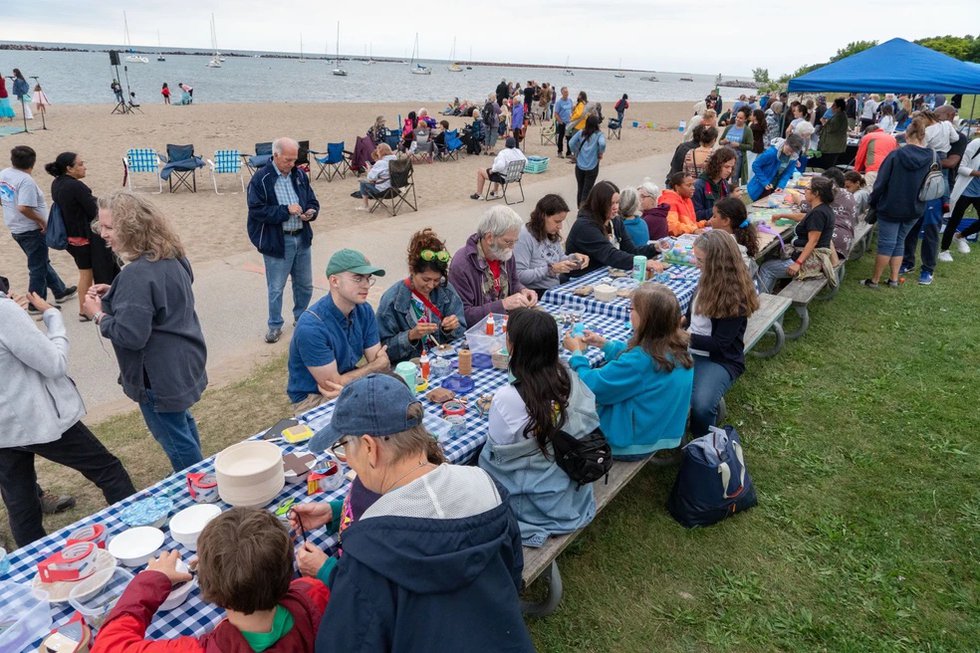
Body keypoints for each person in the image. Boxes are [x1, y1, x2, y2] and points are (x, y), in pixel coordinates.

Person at [297, 374, 535, 653]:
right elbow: (512, 571)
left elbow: (345, 643)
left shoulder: (369, 553)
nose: (347, 458)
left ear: (370, 448)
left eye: (344, 447)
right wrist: (336, 513)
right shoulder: (487, 486)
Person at [81, 190, 207, 472]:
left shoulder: (136, 274)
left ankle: (199, 484)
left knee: (175, 439)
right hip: (183, 361)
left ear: (132, 228)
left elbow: (130, 335)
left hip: (158, 375)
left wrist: (98, 314)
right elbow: (161, 299)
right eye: (100, 226)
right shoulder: (173, 256)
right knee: (181, 423)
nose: (102, 233)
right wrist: (117, 293)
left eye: (109, 227)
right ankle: (201, 472)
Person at [0, 285, 135, 547]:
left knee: (21, 504)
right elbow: (54, 364)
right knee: (109, 471)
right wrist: (52, 317)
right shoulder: (4, 312)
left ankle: (36, 566)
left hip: (5, 430)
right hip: (38, 419)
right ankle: (138, 534)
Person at [91, 508, 330, 652]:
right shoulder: (313, 590)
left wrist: (152, 579)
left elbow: (108, 647)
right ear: (289, 570)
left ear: (205, 581)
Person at [478, 308, 598, 546]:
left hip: (534, 500)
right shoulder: (568, 376)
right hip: (569, 486)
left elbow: (498, 454)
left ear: (511, 345)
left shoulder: (507, 397)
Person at [563, 283, 693, 459]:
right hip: (664, 429)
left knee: (564, 410)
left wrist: (577, 354)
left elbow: (592, 388)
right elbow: (640, 363)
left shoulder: (639, 361)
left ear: (646, 318)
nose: (629, 312)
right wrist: (605, 344)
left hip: (632, 443)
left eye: (632, 308)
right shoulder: (676, 346)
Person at [287, 249, 389, 414]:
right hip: (313, 399)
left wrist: (375, 367)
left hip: (349, 384)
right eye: (357, 278)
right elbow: (331, 385)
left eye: (368, 278)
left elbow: (378, 362)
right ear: (334, 281)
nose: (365, 285)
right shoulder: (311, 326)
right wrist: (375, 366)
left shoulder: (364, 310)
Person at [246, 137, 319, 344]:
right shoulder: (261, 179)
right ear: (276, 156)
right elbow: (256, 211)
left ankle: (301, 318)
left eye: (294, 160)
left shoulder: (299, 175)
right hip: (277, 241)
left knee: (305, 284)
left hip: (301, 237)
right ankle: (275, 325)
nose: (292, 164)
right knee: (276, 287)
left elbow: (313, 200)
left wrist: (311, 212)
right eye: (288, 160)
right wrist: (285, 211)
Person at [687, 231, 759, 437]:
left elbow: (720, 344)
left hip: (720, 359)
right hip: (693, 348)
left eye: (700, 260)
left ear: (718, 262)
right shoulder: (707, 279)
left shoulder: (734, 294)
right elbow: (691, 317)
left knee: (701, 406)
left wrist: (682, 337)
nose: (695, 264)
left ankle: (705, 448)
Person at [861, 116, 935, 289]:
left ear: (907, 136)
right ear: (923, 136)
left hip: (891, 206)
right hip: (916, 206)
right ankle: (893, 279)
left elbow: (880, 183)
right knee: (900, 241)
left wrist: (873, 202)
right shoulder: (933, 156)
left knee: (886, 243)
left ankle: (875, 280)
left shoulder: (896, 155)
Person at [1, 145, 76, 310]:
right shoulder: (26, 181)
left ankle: (59, 290)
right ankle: (36, 303)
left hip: (16, 226)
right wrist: (42, 221)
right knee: (37, 266)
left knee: (40, 261)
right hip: (30, 229)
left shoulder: (5, 173)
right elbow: (24, 207)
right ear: (32, 163)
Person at [46, 152, 120, 320]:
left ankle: (84, 308)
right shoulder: (75, 186)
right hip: (83, 238)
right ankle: (86, 309)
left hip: (72, 238)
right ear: (69, 168)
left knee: (85, 272)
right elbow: (94, 210)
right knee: (89, 273)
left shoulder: (57, 183)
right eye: (80, 164)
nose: (84, 166)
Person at [377, 229, 466, 363]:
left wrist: (452, 327)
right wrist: (411, 336)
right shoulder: (392, 300)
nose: (431, 285)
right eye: (425, 279)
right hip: (411, 370)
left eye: (436, 280)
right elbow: (383, 351)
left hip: (443, 363)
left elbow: (462, 332)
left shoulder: (446, 290)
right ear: (412, 270)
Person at [449, 205, 538, 325]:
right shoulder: (462, 264)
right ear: (489, 237)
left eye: (514, 241)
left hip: (505, 324)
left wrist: (523, 291)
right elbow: (464, 315)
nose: (512, 247)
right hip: (478, 332)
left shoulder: (505, 254)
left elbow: (514, 281)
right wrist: (503, 304)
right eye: (508, 241)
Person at [757, 177, 837, 293]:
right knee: (770, 256)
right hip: (812, 255)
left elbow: (813, 242)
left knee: (766, 268)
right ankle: (771, 290)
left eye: (807, 188)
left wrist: (797, 263)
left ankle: (761, 304)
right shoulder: (822, 208)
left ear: (816, 193)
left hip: (811, 260)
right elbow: (804, 216)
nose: (804, 190)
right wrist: (782, 215)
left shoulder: (818, 213)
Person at [564, 180, 661, 277]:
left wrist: (654, 248)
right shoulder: (585, 226)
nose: (615, 207)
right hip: (580, 277)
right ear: (599, 204)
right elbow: (610, 254)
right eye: (611, 203)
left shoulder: (616, 221)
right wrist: (640, 263)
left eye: (617, 202)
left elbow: (631, 250)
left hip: (604, 274)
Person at [515, 194, 587, 298]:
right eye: (557, 221)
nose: (560, 226)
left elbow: (559, 259)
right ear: (543, 216)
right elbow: (519, 276)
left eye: (562, 221)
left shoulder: (550, 232)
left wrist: (574, 258)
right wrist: (550, 270)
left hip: (554, 288)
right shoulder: (524, 236)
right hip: (535, 293)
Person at [939, 135, 980, 262]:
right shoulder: (975, 144)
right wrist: (978, 173)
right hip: (964, 191)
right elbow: (961, 168)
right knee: (954, 221)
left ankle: (960, 236)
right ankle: (944, 251)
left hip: (979, 193)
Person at [746, 134, 804, 201]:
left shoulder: (794, 158)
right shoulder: (771, 153)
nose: (790, 153)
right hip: (760, 187)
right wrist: (764, 181)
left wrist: (781, 186)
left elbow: (787, 173)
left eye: (793, 152)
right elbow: (755, 165)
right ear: (785, 143)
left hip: (775, 189)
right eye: (789, 150)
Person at [709, 196, 758, 272]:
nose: (710, 220)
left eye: (714, 216)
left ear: (726, 221)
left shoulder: (726, 246)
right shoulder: (740, 237)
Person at [568, 115, 606, 207]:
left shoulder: (581, 132)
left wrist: (576, 151)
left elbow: (571, 143)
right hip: (592, 166)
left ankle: (579, 208)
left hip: (579, 165)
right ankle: (583, 210)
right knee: (587, 190)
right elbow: (602, 143)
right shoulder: (599, 135)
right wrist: (600, 152)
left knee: (580, 188)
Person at [693, 147, 740, 220]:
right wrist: (722, 207)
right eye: (726, 167)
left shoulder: (724, 183)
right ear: (716, 165)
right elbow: (697, 215)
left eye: (732, 167)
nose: (730, 171)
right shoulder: (698, 186)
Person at [662, 172, 706, 236]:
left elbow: (691, 225)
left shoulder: (687, 200)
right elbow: (671, 226)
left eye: (693, 185)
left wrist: (704, 224)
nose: (693, 188)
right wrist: (693, 230)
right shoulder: (669, 202)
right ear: (677, 187)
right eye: (689, 185)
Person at [356, 143, 396, 211]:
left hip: (385, 191)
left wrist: (369, 170)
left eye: (377, 151)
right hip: (396, 188)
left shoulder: (380, 163)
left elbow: (370, 178)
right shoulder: (395, 159)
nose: (377, 153)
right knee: (380, 179)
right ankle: (380, 203)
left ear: (381, 152)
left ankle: (366, 206)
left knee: (363, 183)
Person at [719, 107, 753, 184]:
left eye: (741, 118)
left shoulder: (747, 130)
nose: (737, 119)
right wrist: (724, 141)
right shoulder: (729, 127)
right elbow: (720, 141)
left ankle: (733, 193)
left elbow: (750, 146)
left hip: (738, 159)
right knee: (722, 176)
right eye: (737, 117)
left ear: (745, 119)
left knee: (735, 179)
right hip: (724, 157)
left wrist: (739, 145)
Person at [815, 98, 848, 169]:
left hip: (832, 146)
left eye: (834, 105)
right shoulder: (838, 115)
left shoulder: (839, 116)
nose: (832, 107)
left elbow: (831, 129)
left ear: (839, 107)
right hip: (832, 145)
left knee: (828, 165)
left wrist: (824, 122)